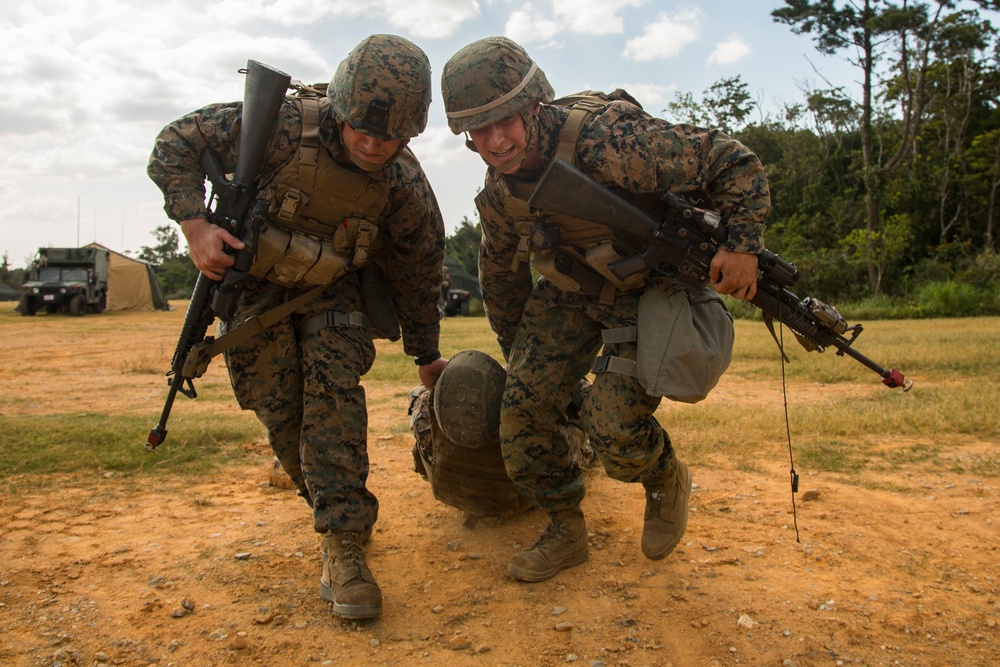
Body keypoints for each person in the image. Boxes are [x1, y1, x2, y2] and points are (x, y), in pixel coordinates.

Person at [440, 37, 771, 582]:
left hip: (644, 290)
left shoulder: (611, 141)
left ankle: (664, 476)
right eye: (480, 128)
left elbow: (732, 161)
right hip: (571, 293)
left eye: (507, 121)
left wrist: (743, 244)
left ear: (532, 107)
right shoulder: (501, 194)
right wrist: (524, 361)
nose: (496, 140)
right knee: (520, 412)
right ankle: (564, 528)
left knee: (611, 426)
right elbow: (499, 275)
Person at [147, 34, 448, 619]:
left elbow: (420, 264)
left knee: (332, 396)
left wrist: (426, 352)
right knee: (280, 408)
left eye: (391, 136)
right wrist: (194, 226)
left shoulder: (403, 185)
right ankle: (332, 505)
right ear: (339, 108)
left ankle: (344, 543)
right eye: (362, 125)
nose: (372, 142)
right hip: (254, 287)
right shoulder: (284, 127)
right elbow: (175, 143)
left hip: (332, 289)